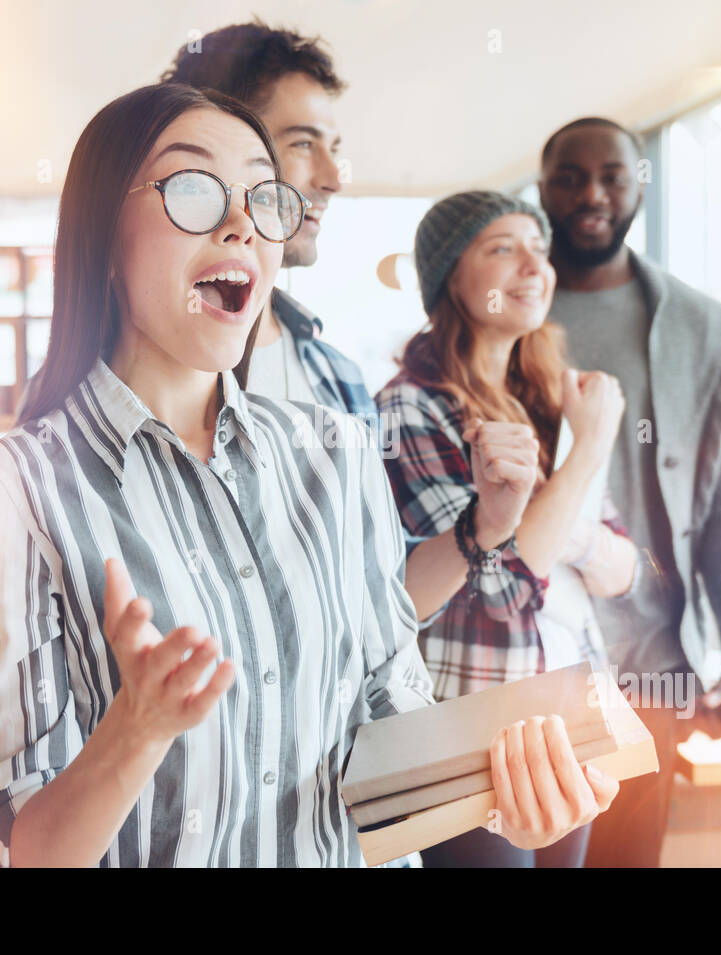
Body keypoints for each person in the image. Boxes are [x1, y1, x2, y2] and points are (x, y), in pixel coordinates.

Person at [0, 83, 618, 867]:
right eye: (192, 187)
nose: (241, 222)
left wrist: (509, 798)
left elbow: (391, 726)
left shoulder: (338, 453)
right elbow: (20, 847)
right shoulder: (5, 495)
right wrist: (134, 732)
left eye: (262, 195)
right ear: (102, 238)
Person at [161, 20, 486, 627]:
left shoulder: (336, 377)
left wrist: (486, 524)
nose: (334, 178)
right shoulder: (116, 383)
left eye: (331, 146)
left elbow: (381, 600)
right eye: (304, 143)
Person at [375, 191, 638, 867]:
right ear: (449, 281)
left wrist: (568, 530)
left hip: (570, 711)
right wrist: (590, 447)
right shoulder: (409, 407)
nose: (534, 265)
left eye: (539, 248)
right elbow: (503, 581)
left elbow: (622, 571)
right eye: (502, 248)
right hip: (475, 728)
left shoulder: (553, 396)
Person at [538, 117, 721, 867]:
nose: (592, 193)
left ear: (642, 182)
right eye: (569, 175)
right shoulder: (500, 314)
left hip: (651, 671)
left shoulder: (707, 330)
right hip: (522, 672)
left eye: (613, 174)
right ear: (541, 187)